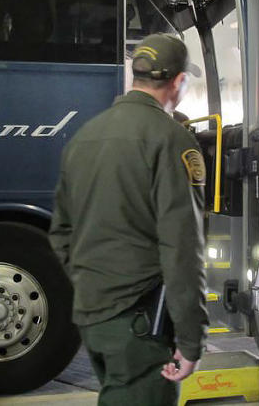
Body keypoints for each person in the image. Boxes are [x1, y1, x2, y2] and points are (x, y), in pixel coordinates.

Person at [49, 33, 208, 405]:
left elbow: (60, 233)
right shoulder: (171, 140)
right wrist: (190, 339)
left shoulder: (84, 137)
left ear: (134, 77)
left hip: (93, 315)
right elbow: (182, 247)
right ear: (178, 82)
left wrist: (94, 282)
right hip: (140, 322)